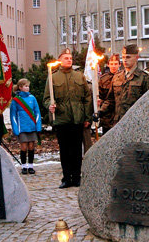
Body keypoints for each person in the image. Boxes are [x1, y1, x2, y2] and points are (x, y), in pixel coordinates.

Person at [43, 48, 92, 188]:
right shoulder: (53, 76)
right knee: (65, 150)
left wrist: (87, 117)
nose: (69, 60)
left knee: (77, 150)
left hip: (77, 118)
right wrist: (50, 106)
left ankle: (77, 177)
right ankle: (66, 178)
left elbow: (87, 97)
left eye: (70, 58)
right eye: (66, 58)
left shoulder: (79, 76)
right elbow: (47, 98)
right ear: (60, 60)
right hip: (61, 119)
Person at [99, 44, 149, 126]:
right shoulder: (117, 77)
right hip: (118, 122)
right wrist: (100, 112)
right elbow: (110, 100)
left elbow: (148, 103)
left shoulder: (145, 78)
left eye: (128, 57)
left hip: (135, 122)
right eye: (123, 57)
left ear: (136, 58)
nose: (125, 60)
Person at [10, 78, 42, 175]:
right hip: (22, 128)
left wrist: (38, 125)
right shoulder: (16, 100)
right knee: (23, 147)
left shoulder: (32, 98)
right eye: (25, 86)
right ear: (20, 87)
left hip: (31, 126)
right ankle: (24, 166)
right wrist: (15, 128)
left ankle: (31, 166)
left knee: (31, 146)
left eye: (28, 86)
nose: (27, 88)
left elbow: (37, 112)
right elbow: (13, 115)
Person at [97, 54, 120, 134]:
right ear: (108, 64)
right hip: (107, 115)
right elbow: (101, 95)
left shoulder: (123, 77)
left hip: (119, 113)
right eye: (112, 64)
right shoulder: (103, 79)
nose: (113, 66)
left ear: (119, 65)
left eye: (116, 64)